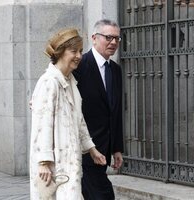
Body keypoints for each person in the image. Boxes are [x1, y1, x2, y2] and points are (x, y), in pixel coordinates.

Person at [29, 28, 106, 200]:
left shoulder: (70, 82)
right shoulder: (49, 82)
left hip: (69, 163)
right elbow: (42, 124)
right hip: (53, 166)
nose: (79, 55)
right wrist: (43, 162)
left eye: (80, 51)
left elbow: (79, 121)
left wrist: (92, 150)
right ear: (60, 53)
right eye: (74, 51)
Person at [73, 19, 124, 200]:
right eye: (108, 37)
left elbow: (115, 112)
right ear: (94, 38)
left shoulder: (115, 70)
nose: (113, 43)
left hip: (104, 149)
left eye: (117, 39)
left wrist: (117, 148)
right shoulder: (79, 65)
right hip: (85, 150)